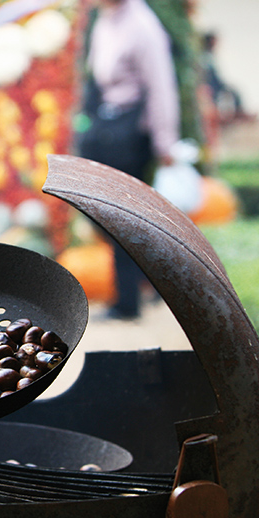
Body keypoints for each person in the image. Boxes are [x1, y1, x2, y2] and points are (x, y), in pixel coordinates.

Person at [76, 0, 180, 320]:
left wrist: (166, 142)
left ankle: (128, 302)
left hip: (131, 135)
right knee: (105, 215)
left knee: (124, 217)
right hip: (106, 127)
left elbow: (161, 86)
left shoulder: (142, 25)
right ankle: (150, 284)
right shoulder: (105, 18)